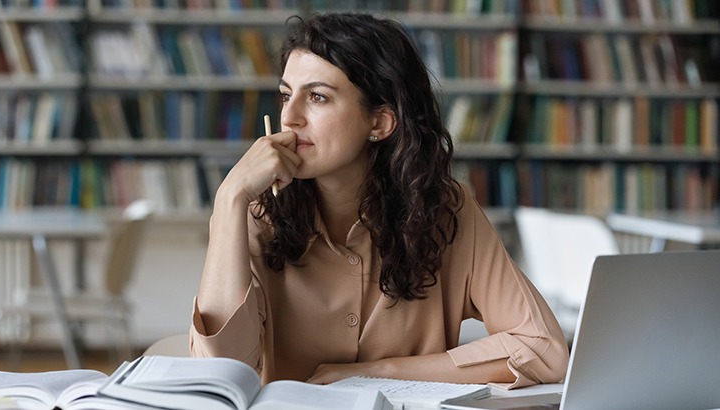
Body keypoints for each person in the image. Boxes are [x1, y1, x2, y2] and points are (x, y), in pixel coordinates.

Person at [190, 12, 569, 389]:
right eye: (287, 95)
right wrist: (229, 199)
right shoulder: (258, 212)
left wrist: (378, 371)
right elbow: (219, 376)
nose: (290, 117)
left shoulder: (446, 211)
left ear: (379, 122)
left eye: (317, 97)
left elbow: (544, 350)